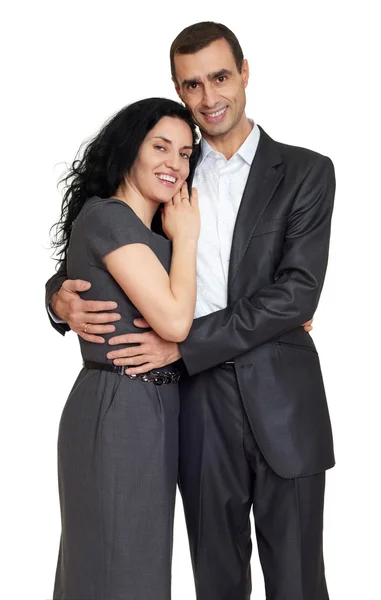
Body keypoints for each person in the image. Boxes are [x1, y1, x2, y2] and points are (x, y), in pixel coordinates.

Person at [46, 22, 336, 600]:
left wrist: (185, 342)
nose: (209, 97)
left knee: (299, 582)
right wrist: (57, 295)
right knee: (216, 580)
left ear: (245, 73)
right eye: (192, 84)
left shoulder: (307, 171)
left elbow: (297, 292)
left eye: (221, 77)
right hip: (194, 403)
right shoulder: (170, 167)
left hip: (283, 397)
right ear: (179, 90)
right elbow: (109, 236)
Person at [49, 97, 200, 600]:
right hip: (120, 405)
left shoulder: (149, 231)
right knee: (115, 568)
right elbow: (175, 319)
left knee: (136, 566)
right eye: (160, 147)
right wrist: (189, 237)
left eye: (184, 153)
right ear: (129, 149)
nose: (174, 164)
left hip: (159, 406)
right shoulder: (110, 218)